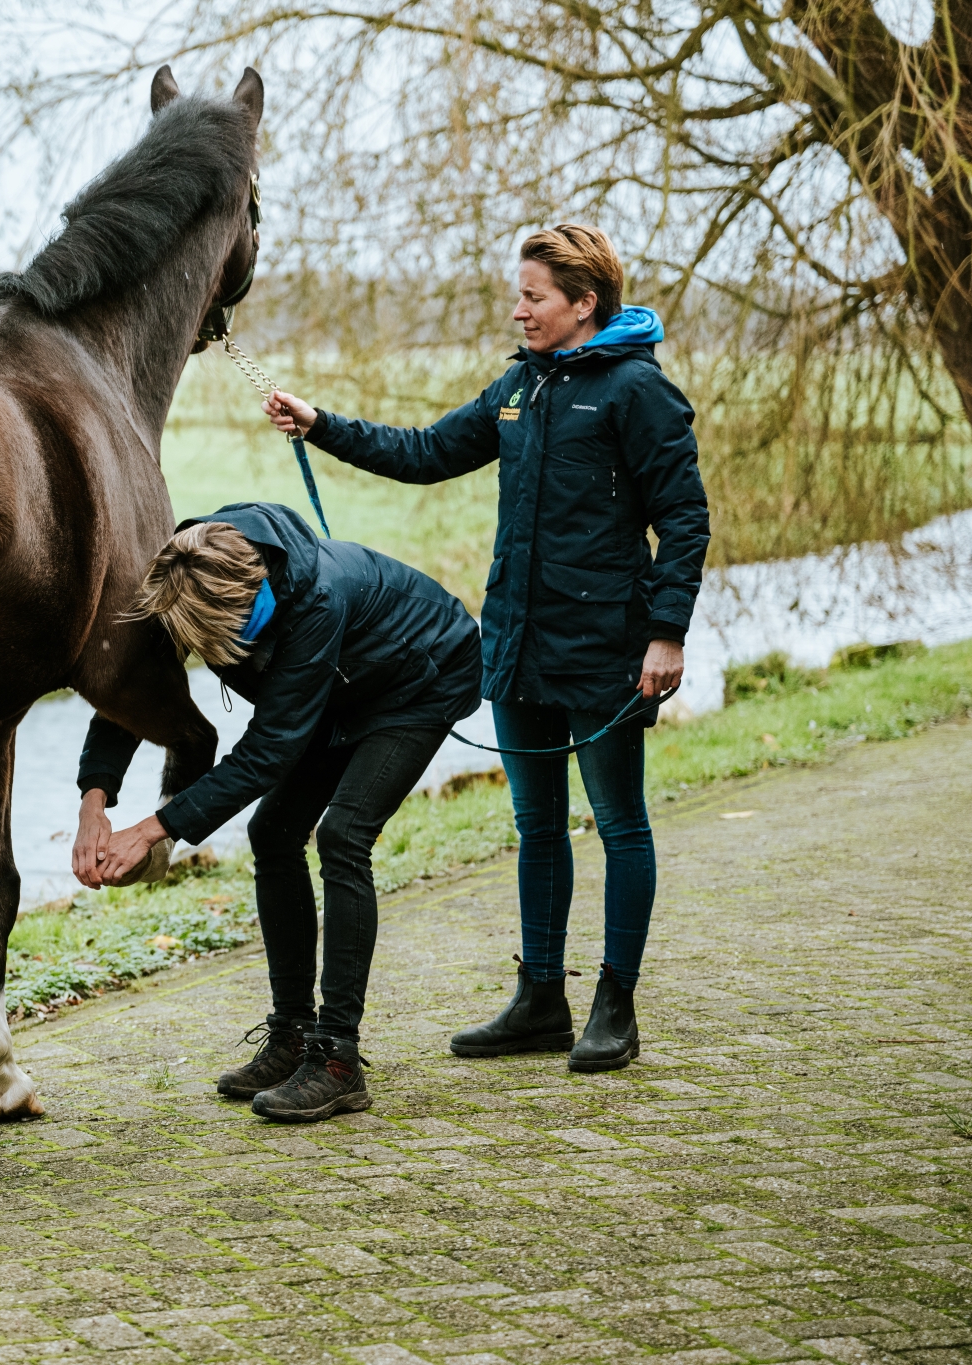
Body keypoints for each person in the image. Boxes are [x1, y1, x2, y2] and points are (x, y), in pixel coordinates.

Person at [262, 224, 709, 1073]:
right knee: (536, 824)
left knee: (620, 822)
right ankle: (541, 998)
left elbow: (684, 517)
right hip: (518, 645)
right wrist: (320, 426)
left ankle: (615, 1002)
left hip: (606, 649)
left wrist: (666, 633)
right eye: (520, 294)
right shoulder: (518, 387)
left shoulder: (638, 392)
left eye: (535, 297)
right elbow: (427, 452)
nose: (519, 310)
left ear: (584, 303)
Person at [74, 502, 480, 1122]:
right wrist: (95, 799)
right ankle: (292, 1034)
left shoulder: (317, 601)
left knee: (343, 835)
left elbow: (269, 751)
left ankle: (338, 1059)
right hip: (335, 689)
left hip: (418, 680)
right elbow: (133, 690)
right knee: (273, 833)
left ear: (252, 596)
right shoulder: (180, 576)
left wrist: (155, 829)